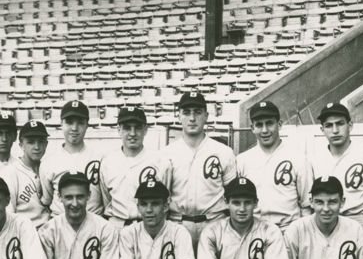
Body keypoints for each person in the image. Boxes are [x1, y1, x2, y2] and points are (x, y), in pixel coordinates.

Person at [307, 101, 363, 256]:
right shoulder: (314, 158)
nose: (335, 130)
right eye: (329, 125)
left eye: (340, 124)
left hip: (359, 222)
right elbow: (310, 203)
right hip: (326, 226)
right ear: (322, 129)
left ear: (350, 125)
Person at [162, 91, 237, 247]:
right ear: (178, 116)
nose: (192, 118)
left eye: (197, 112)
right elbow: (162, 196)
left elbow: (233, 195)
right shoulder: (166, 154)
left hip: (214, 222)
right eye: (186, 112)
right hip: (178, 224)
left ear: (206, 116)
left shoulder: (223, 151)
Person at [235, 100, 311, 232]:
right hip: (253, 230)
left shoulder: (297, 158)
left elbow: (306, 205)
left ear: (279, 124)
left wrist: (303, 234)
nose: (264, 130)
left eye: (269, 123)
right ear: (252, 128)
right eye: (259, 125)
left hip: (288, 229)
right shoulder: (242, 160)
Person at [98, 105, 170, 227]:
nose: (132, 133)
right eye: (127, 128)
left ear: (145, 130)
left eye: (137, 128)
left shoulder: (160, 161)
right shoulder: (108, 162)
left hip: (148, 226)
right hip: (117, 225)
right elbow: (106, 200)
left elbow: (165, 201)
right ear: (119, 130)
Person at [40, 100, 104, 218]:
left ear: (87, 125)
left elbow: (105, 196)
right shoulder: (48, 162)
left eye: (80, 123)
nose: (74, 128)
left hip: (94, 222)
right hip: (60, 222)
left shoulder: (100, 157)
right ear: (61, 124)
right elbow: (48, 199)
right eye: (69, 122)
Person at [11, 120, 51, 226]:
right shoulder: (11, 173)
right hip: (25, 235)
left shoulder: (49, 169)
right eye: (31, 142)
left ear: (46, 144)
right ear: (21, 145)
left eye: (41, 141)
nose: (37, 147)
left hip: (50, 233)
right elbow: (8, 215)